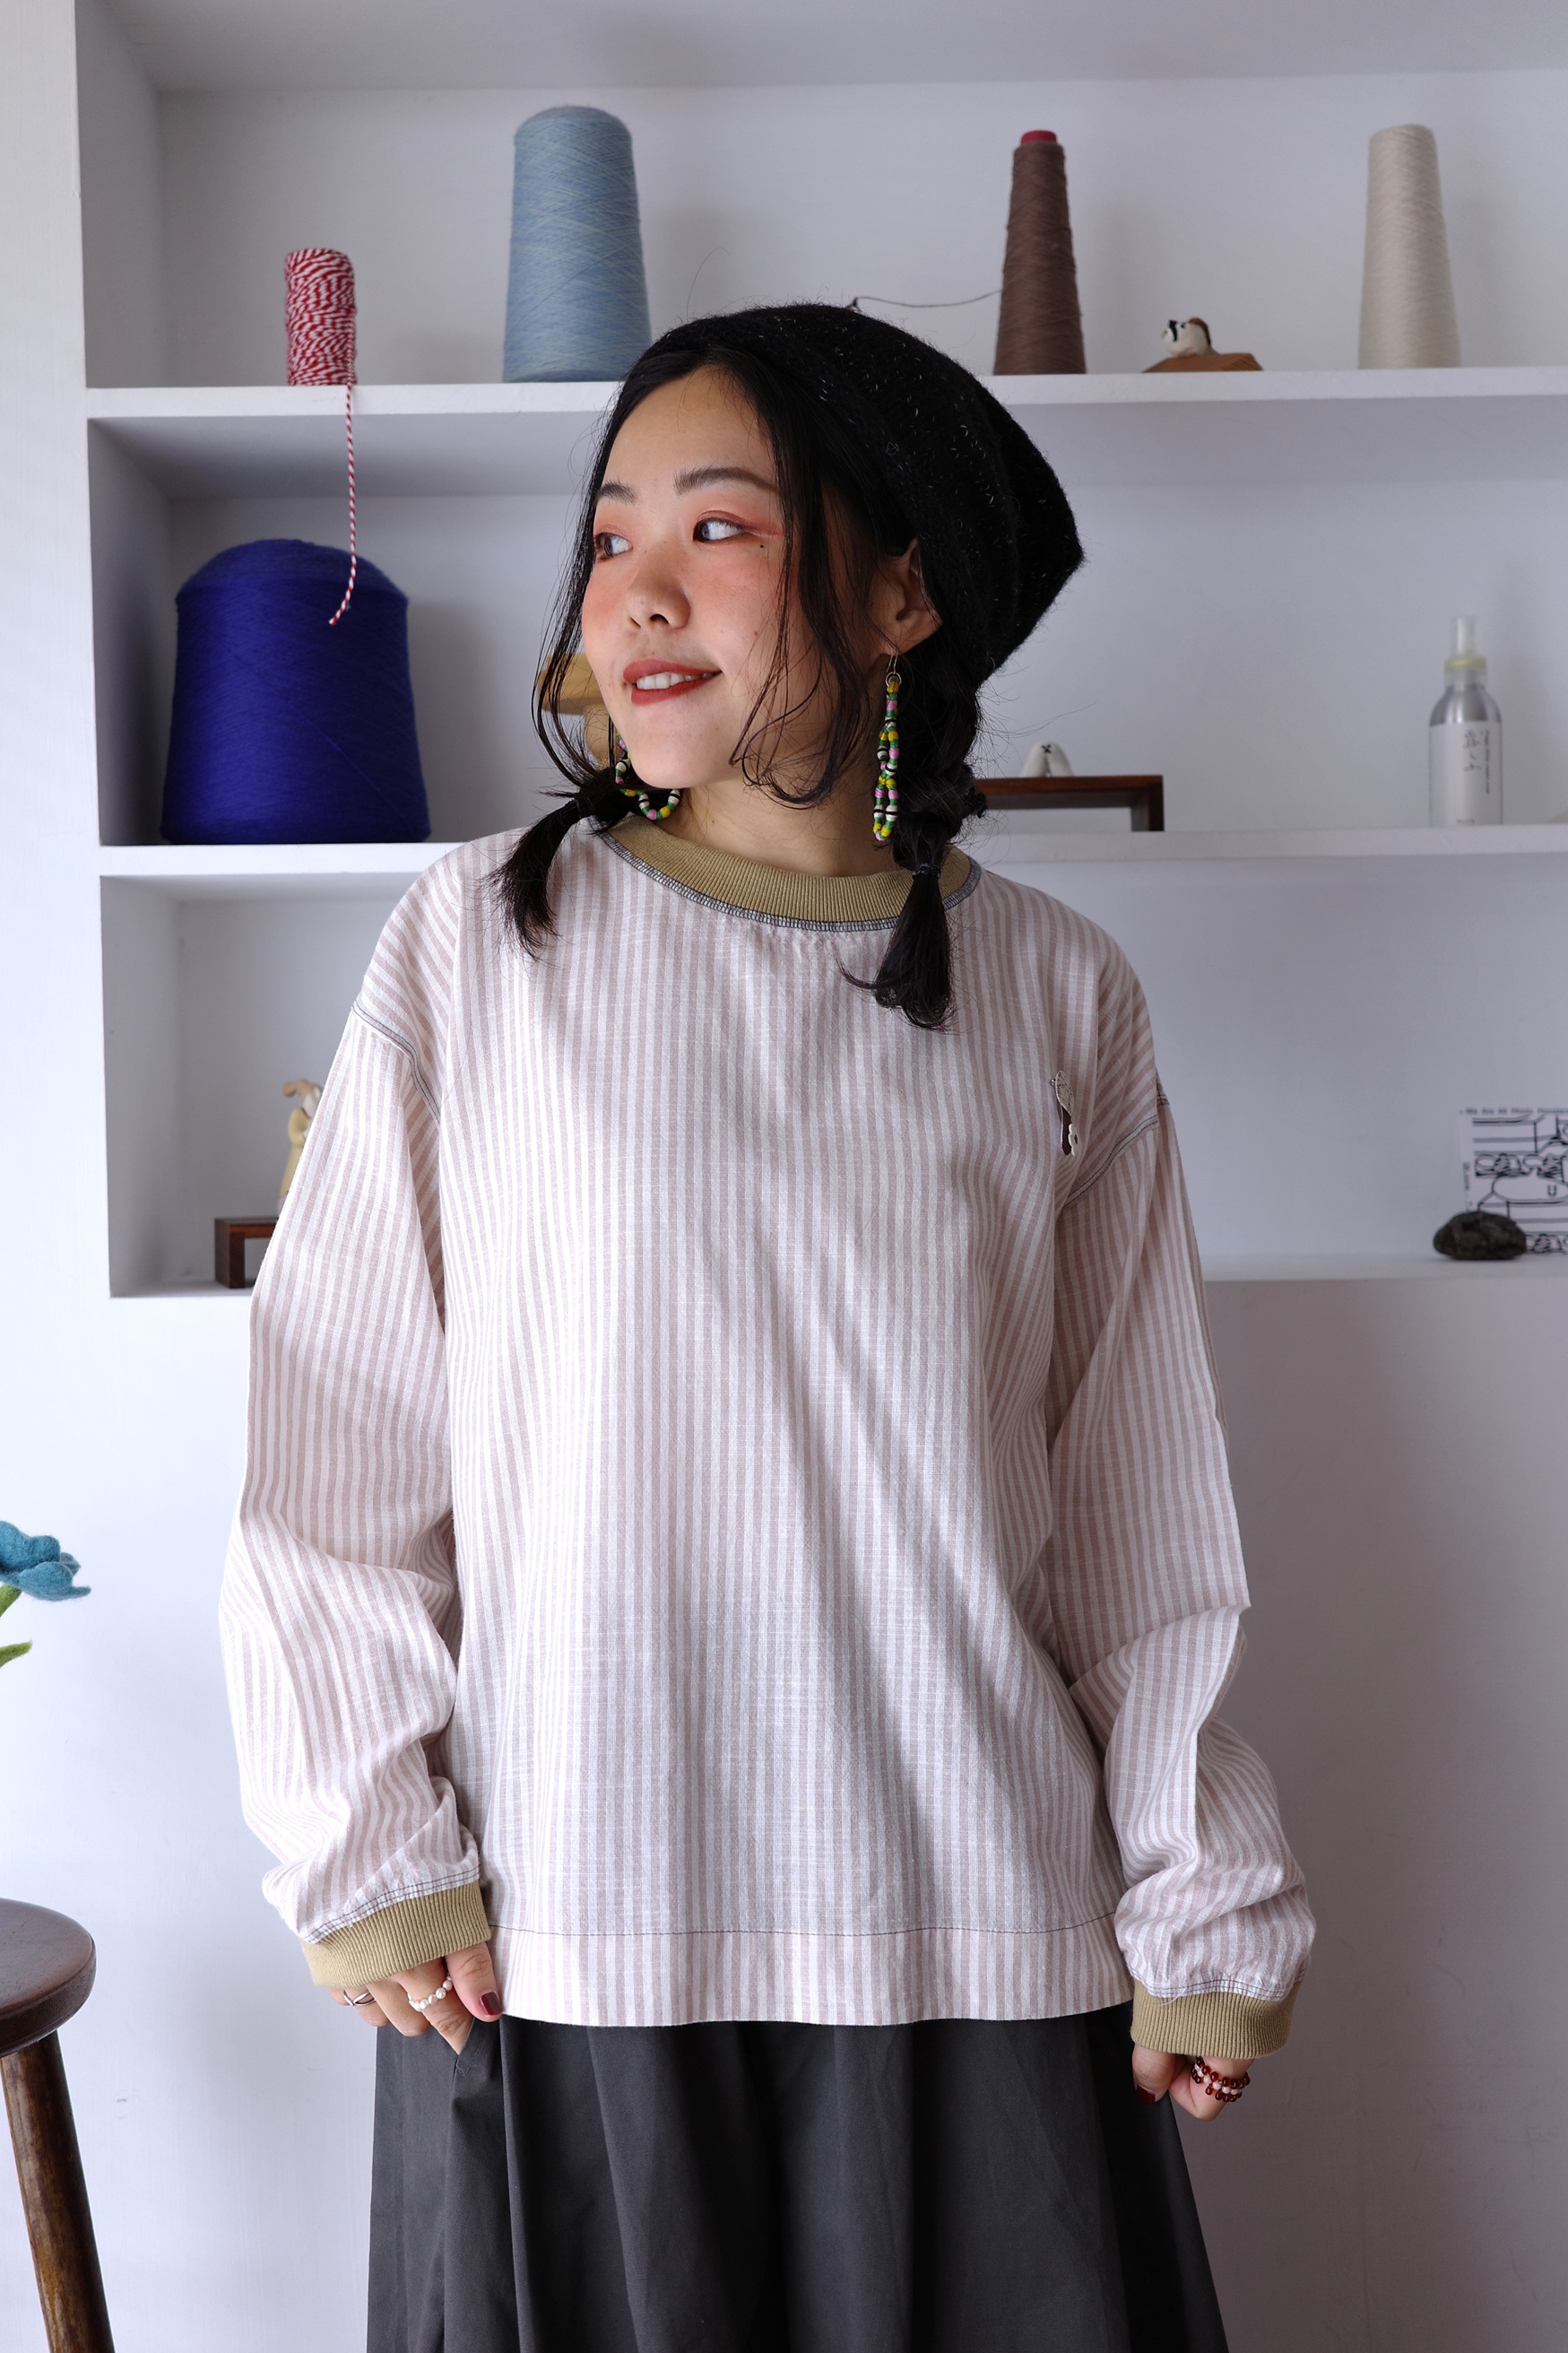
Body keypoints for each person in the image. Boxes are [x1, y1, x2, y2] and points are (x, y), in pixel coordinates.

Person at [221, 304, 1313, 2353]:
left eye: (717, 526)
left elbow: (1137, 1504)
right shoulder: (480, 943)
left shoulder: (1056, 989)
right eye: (608, 531)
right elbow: (339, 1435)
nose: (635, 584)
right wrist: (364, 1838)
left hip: (981, 1927)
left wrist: (1198, 1889)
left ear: (901, 593)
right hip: (570, 1927)